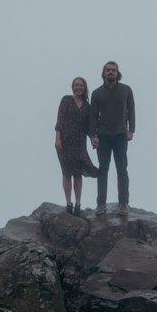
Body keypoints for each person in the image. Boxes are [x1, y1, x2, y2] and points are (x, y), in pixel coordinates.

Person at [88, 60, 135, 214]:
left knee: (122, 170)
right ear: (104, 73)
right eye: (108, 70)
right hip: (103, 136)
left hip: (121, 135)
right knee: (103, 170)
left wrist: (131, 130)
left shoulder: (126, 90)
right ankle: (101, 204)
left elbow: (131, 110)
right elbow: (93, 117)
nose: (110, 72)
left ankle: (123, 204)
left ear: (117, 73)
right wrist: (92, 136)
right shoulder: (96, 93)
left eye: (113, 70)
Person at [54, 76, 98, 215]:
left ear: (84, 88)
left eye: (81, 85)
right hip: (65, 142)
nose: (78, 87)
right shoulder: (66, 100)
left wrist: (93, 138)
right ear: (72, 87)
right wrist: (57, 139)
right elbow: (60, 120)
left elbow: (89, 126)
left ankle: (78, 205)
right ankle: (68, 204)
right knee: (67, 173)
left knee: (78, 174)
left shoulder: (87, 105)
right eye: (76, 85)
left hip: (80, 143)